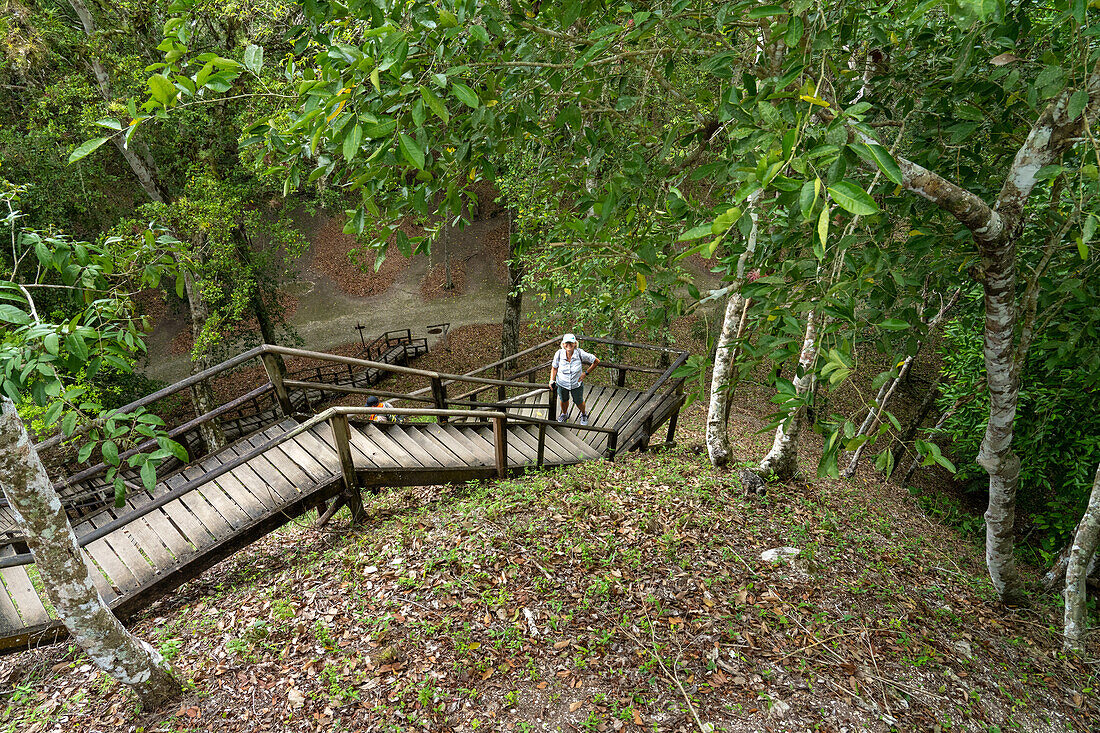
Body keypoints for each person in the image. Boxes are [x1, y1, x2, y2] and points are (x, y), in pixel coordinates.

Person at [548, 333, 600, 425]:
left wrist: (585, 373)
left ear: (575, 343)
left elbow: (596, 361)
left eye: (571, 343)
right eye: (566, 343)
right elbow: (554, 368)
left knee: (579, 401)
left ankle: (584, 414)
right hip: (562, 383)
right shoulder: (559, 354)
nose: (569, 345)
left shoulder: (580, 353)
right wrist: (552, 380)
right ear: (563, 344)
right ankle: (564, 414)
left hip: (576, 384)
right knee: (563, 400)